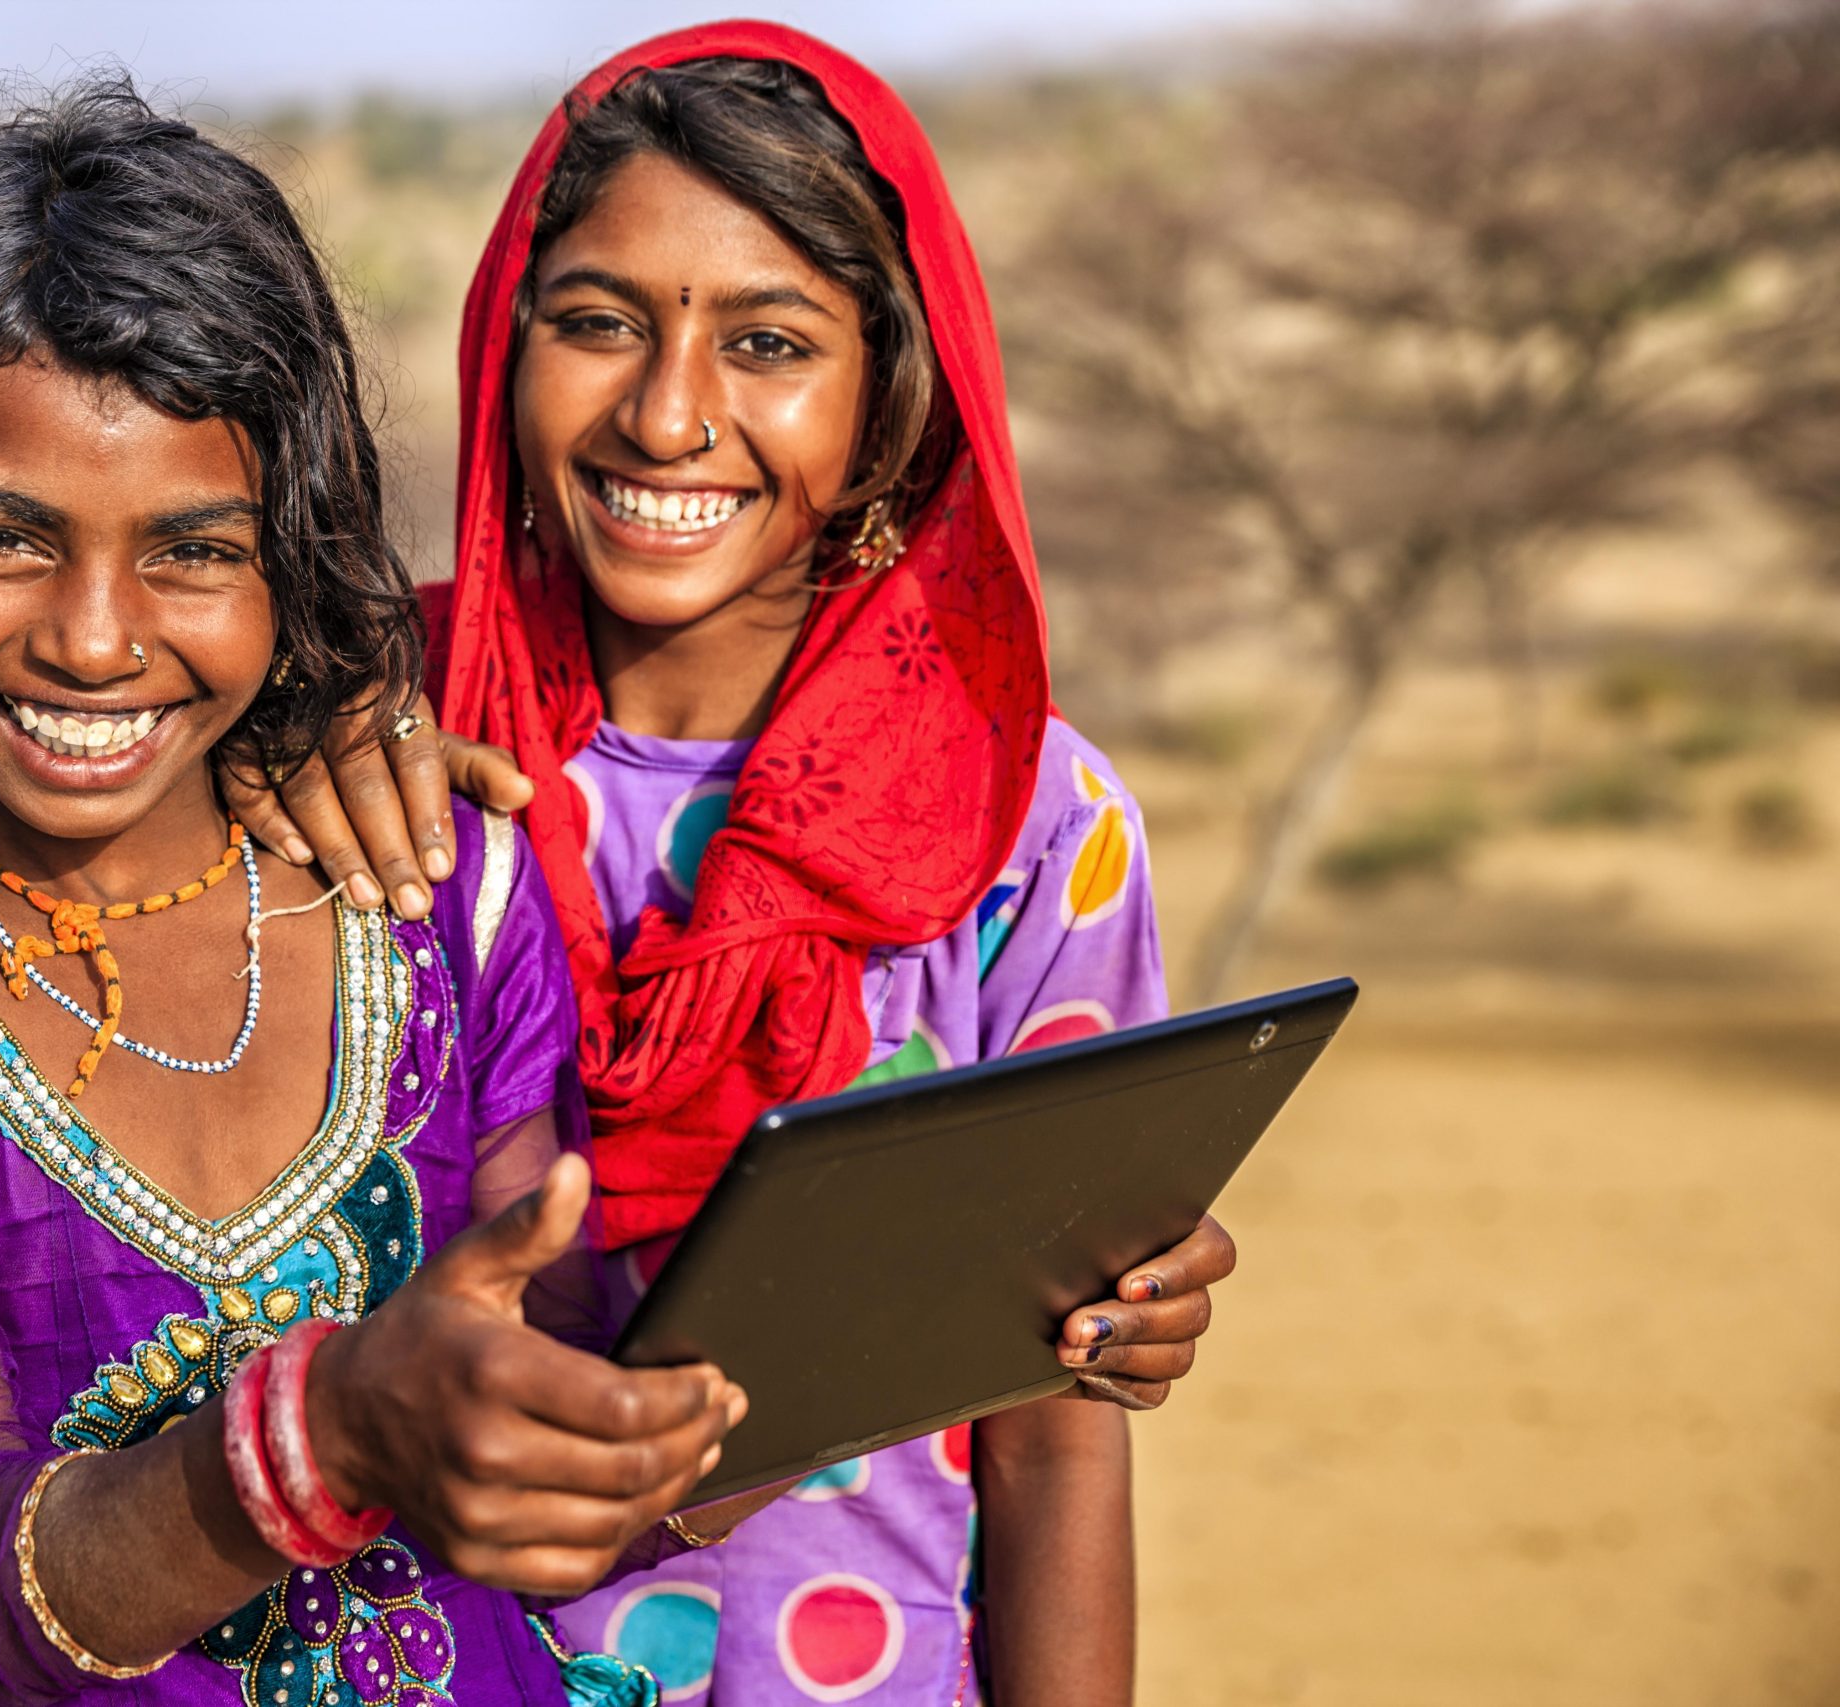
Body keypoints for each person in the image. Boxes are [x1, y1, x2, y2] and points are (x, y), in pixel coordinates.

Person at [0, 81, 746, 1707]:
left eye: (193, 552)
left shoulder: (445, 904)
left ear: (290, 556)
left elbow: (586, 1466)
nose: (94, 640)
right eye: (3, 539)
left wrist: (986, 1292)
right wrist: (329, 1430)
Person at [226, 24, 1236, 1704]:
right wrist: (292, 736)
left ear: (890, 396)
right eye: (599, 322)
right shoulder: (357, 743)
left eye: (768, 343)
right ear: (506, 342)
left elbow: (1054, 1439)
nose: (670, 414)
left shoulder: (1025, 819)